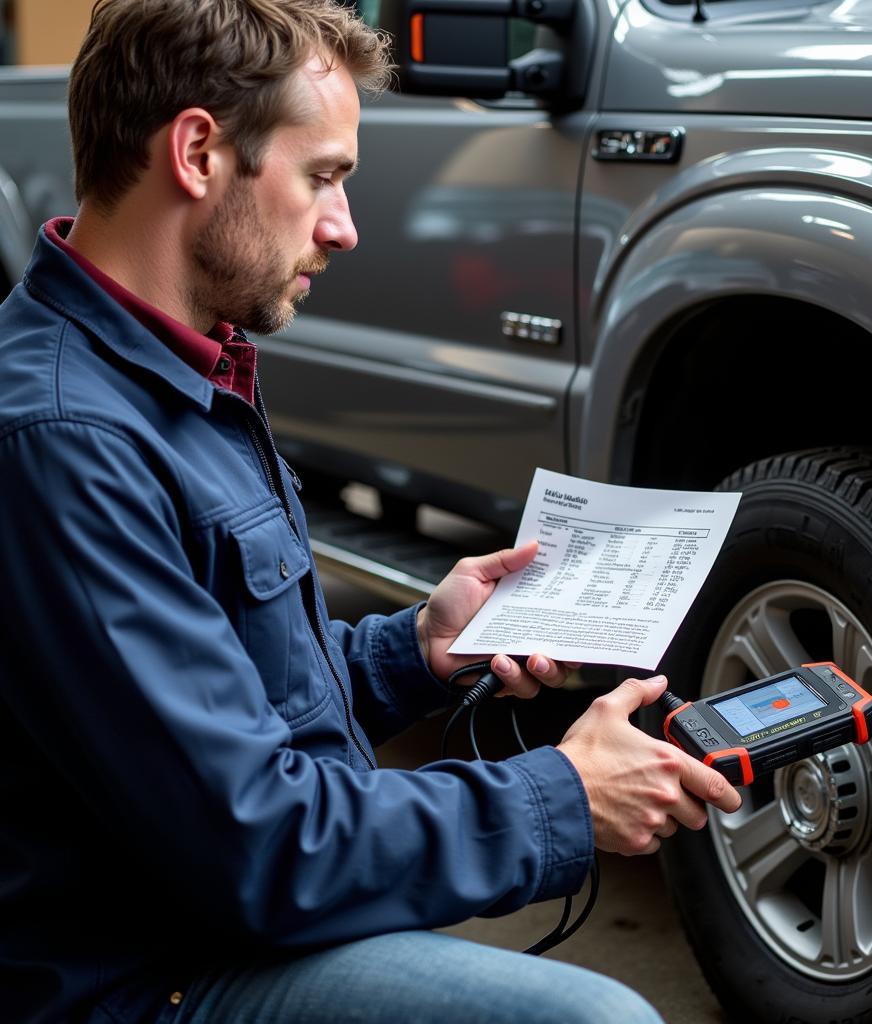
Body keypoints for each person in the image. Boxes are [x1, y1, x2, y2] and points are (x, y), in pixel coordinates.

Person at [0, 2, 741, 1022]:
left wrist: (417, 649)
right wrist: (563, 795)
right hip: (143, 977)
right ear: (199, 152)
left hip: (215, 918)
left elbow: (222, 705)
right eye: (323, 176)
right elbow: (258, 840)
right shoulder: (65, 440)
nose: (345, 226)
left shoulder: (177, 367)